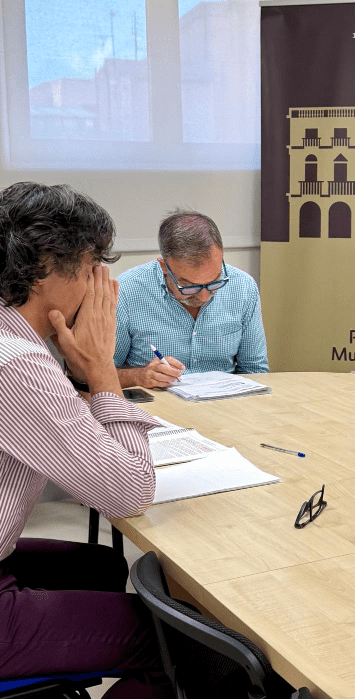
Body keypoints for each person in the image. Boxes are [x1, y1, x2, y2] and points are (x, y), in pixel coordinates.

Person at [0, 182, 172, 697]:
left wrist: (82, 370)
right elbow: (129, 491)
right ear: (46, 270)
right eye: (94, 265)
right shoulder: (18, 364)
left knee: (102, 565)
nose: (104, 283)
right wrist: (102, 368)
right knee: (182, 640)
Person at [114, 210, 269, 389]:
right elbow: (97, 374)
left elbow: (255, 370)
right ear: (164, 266)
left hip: (226, 400)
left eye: (214, 282)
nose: (204, 297)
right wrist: (138, 376)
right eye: (189, 287)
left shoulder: (243, 286)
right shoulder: (127, 291)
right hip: (157, 402)